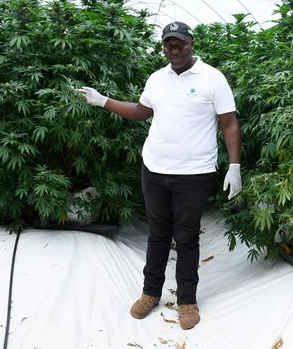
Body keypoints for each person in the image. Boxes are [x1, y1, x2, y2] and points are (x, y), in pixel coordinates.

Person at [75, 21, 242, 330]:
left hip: (194, 173)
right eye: (168, 44)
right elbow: (142, 112)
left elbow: (229, 123)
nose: (174, 49)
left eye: (179, 43)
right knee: (158, 234)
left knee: (187, 237)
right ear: (164, 47)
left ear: (191, 43)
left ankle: (187, 300)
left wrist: (235, 166)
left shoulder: (212, 79)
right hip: (154, 169)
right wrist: (103, 101)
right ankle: (150, 293)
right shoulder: (157, 78)